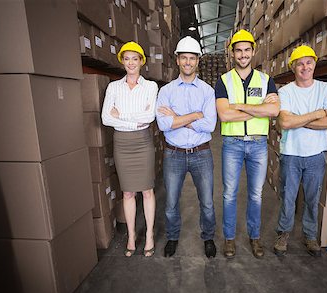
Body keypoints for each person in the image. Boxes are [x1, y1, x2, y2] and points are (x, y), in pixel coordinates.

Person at [215, 29, 280, 259]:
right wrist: (258, 109)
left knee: (256, 194)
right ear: (232, 54)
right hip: (232, 144)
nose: (243, 54)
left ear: (253, 51)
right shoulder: (223, 81)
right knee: (229, 194)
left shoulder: (266, 80)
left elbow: (273, 110)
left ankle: (255, 237)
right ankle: (229, 239)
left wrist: (239, 107)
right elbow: (224, 115)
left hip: (258, 144)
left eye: (246, 50)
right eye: (238, 50)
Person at [273, 45, 327, 257]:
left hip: (315, 154)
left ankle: (310, 235)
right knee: (288, 197)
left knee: (312, 198)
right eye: (300, 63)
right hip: (291, 153)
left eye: (308, 62)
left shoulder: (325, 89)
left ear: (314, 64)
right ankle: (284, 233)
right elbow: (284, 121)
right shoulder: (285, 91)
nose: (305, 67)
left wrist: (299, 120)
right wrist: (316, 113)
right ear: (293, 67)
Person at [156, 36, 217, 258]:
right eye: (184, 58)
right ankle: (172, 237)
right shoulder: (166, 91)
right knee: (171, 202)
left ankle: (208, 237)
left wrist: (179, 117)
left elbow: (210, 124)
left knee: (208, 202)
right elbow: (164, 124)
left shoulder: (207, 91)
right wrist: (195, 116)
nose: (188, 62)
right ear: (177, 60)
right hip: (174, 154)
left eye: (192, 58)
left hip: (202, 153)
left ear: (198, 60)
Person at [101, 41, 158, 257]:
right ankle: (132, 237)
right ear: (122, 62)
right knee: (127, 192)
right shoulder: (113, 87)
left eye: (135, 58)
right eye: (127, 58)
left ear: (141, 61)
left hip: (142, 142)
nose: (131, 63)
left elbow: (149, 117)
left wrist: (121, 116)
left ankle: (150, 235)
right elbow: (106, 119)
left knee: (147, 190)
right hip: (122, 143)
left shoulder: (151, 87)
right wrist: (134, 119)